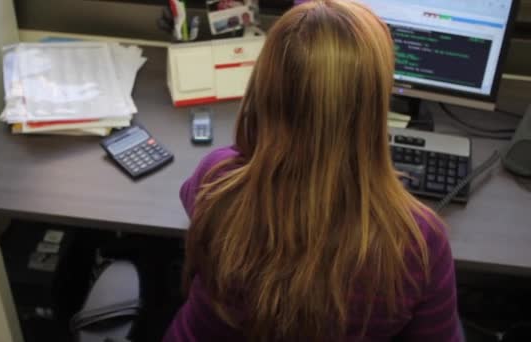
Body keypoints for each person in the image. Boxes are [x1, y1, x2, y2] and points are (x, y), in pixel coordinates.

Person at [164, 0, 462, 341]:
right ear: (373, 107)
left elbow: (193, 198)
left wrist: (258, 145)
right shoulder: (418, 243)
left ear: (264, 86)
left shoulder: (218, 177)